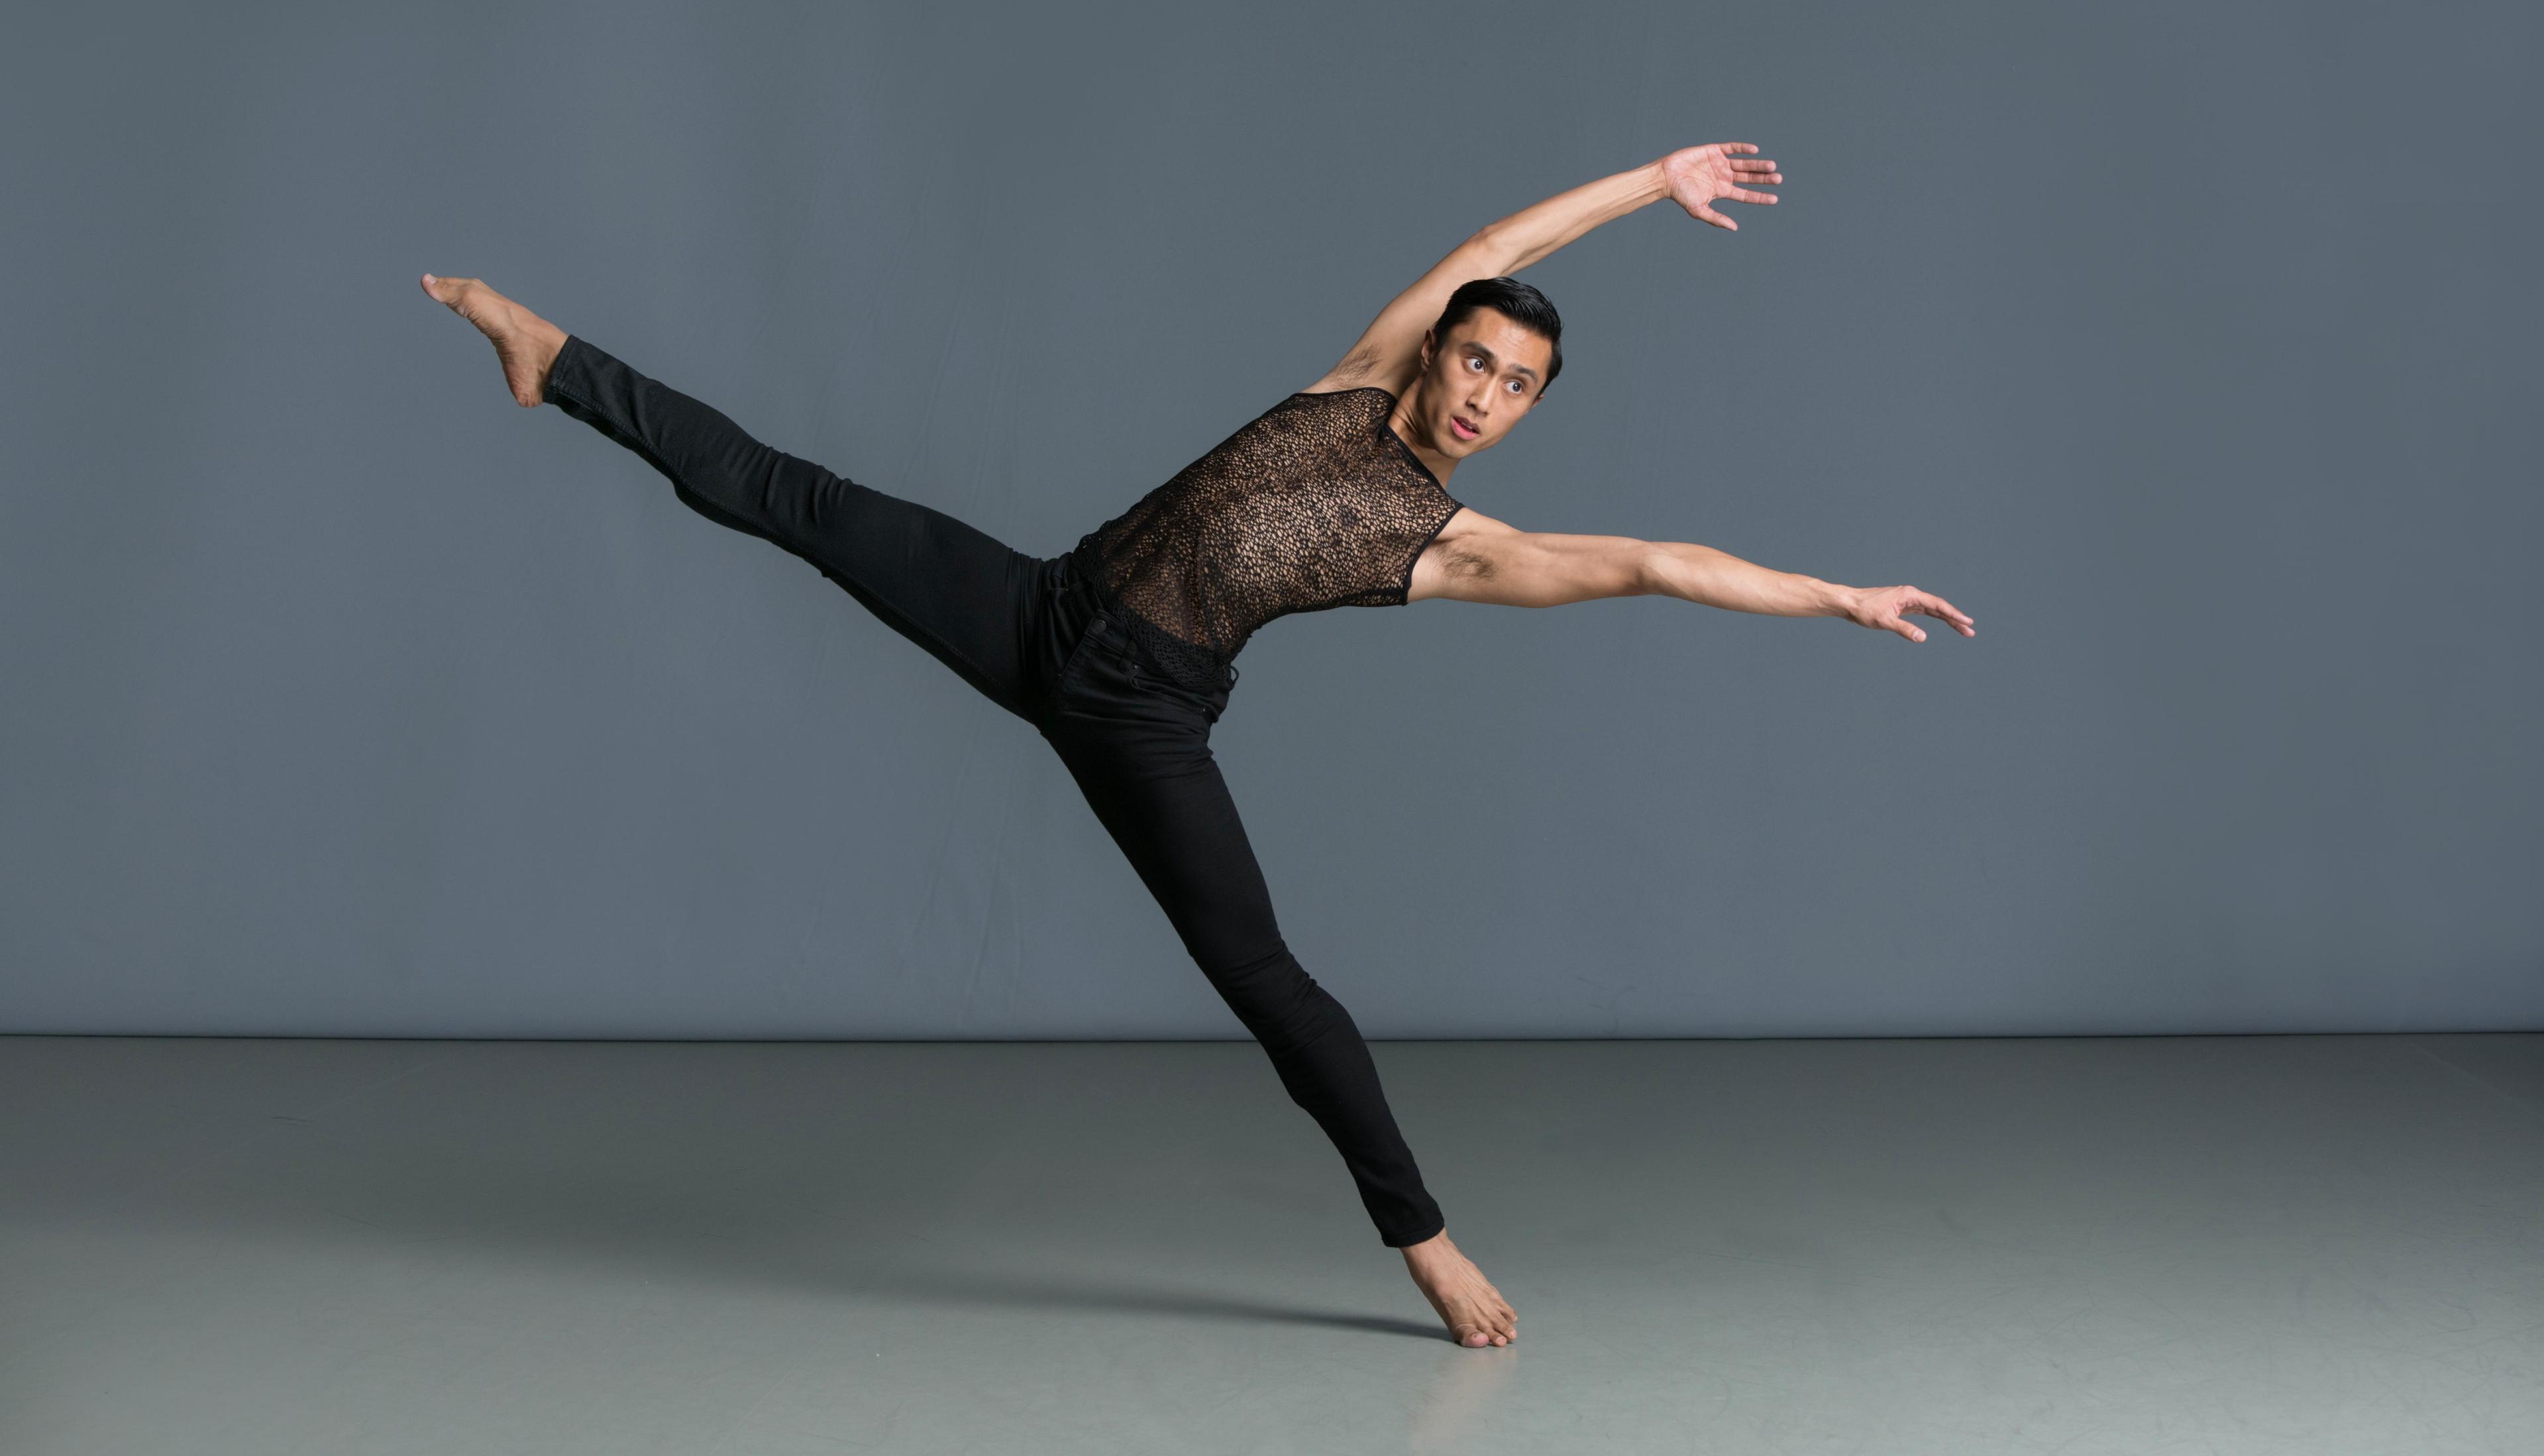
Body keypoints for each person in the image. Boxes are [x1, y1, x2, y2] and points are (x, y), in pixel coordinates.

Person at [421, 140, 1974, 1349]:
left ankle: (1421, 1232)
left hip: (1149, 718)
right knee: (793, 496)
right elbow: (1504, 248)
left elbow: (1653, 559)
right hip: (1042, 607)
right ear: (1434, 350)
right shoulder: (1362, 374)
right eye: (1476, 360)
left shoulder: (1453, 540)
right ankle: (549, 353)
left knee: (1271, 982)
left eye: (1515, 386)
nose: (1486, 393)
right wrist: (1655, 180)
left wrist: (1835, 593)